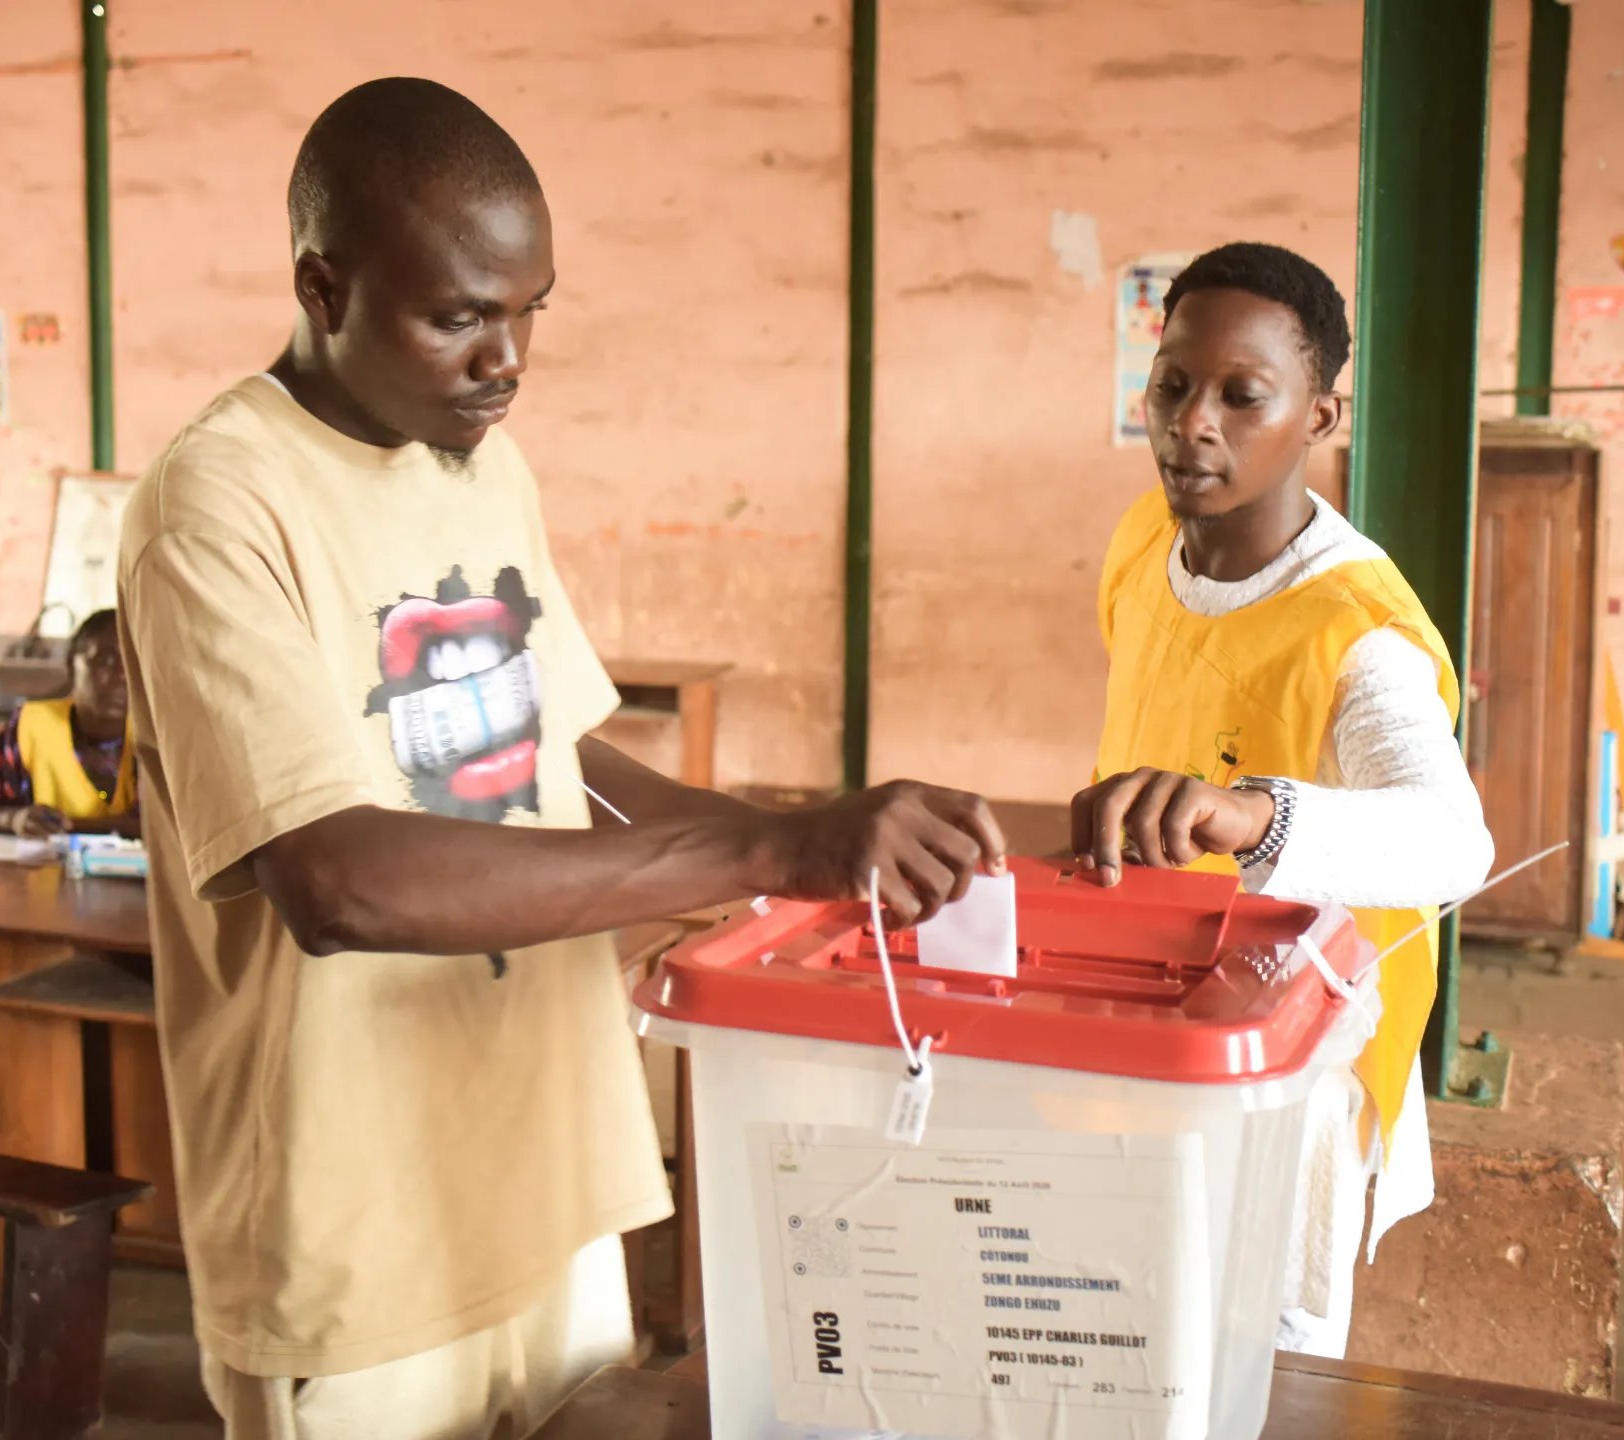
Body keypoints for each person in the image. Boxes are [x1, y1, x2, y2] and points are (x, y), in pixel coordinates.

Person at [117, 77, 1006, 1440]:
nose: (507, 359)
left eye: (531, 311)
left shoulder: (479, 463)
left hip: (546, 1162)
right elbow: (336, 882)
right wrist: (768, 846)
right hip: (362, 1213)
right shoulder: (218, 503)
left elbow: (564, 758)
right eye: (459, 316)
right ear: (322, 287)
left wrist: (809, 854)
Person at [1070, 241, 1495, 1357]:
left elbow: (1454, 841)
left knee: (1257, 1374)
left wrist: (1253, 816)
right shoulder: (1143, 544)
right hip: (1140, 1011)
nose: (1192, 423)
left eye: (1241, 396)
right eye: (1172, 384)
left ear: (1320, 416)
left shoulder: (1360, 632)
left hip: (1292, 1076)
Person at [0, 608, 138, 839]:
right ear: (71, 666)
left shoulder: (155, 738)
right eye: (106, 660)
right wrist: (13, 819)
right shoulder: (34, 726)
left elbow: (157, 825)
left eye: (134, 662)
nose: (122, 675)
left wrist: (66, 825)